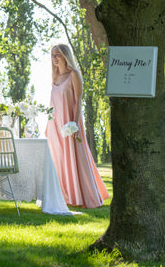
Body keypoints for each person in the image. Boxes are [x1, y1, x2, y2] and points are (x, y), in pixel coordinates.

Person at [44, 44, 110, 208]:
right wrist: (47, 125)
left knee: (75, 157)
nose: (54, 58)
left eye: (57, 54)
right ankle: (63, 196)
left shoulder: (74, 74)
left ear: (65, 56)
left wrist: (74, 124)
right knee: (58, 159)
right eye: (52, 55)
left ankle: (82, 196)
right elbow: (52, 104)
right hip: (55, 126)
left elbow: (77, 100)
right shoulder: (55, 77)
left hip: (69, 124)